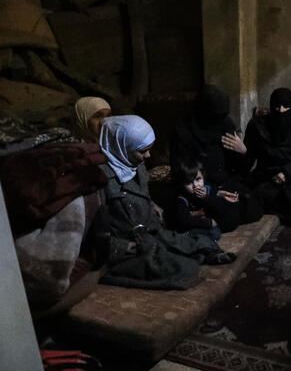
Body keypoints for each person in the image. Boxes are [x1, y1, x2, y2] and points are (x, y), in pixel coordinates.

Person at [92, 115, 236, 291]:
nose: (148, 155)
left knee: (196, 241)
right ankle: (194, 259)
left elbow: (140, 195)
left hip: (150, 230)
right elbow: (94, 228)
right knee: (179, 267)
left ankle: (206, 254)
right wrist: (121, 246)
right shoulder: (99, 178)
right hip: (129, 245)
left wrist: (153, 205)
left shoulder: (133, 164)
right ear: (122, 145)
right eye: (142, 150)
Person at [170, 85, 262, 232]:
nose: (219, 119)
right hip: (201, 186)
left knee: (252, 206)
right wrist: (211, 192)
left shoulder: (225, 124)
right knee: (226, 215)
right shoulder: (184, 132)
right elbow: (181, 173)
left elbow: (239, 168)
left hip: (226, 181)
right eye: (215, 115)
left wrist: (243, 152)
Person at [243, 87, 291, 225]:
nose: (281, 111)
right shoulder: (258, 126)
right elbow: (249, 158)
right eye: (277, 107)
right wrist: (242, 151)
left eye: (286, 107)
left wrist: (287, 173)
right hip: (268, 174)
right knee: (259, 195)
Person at [172, 156, 239, 240]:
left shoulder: (206, 187)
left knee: (228, 218)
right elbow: (184, 220)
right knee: (211, 233)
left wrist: (217, 195)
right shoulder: (181, 199)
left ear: (203, 176)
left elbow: (214, 194)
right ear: (182, 185)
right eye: (189, 183)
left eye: (198, 179)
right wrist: (209, 223)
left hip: (207, 219)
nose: (195, 185)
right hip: (194, 225)